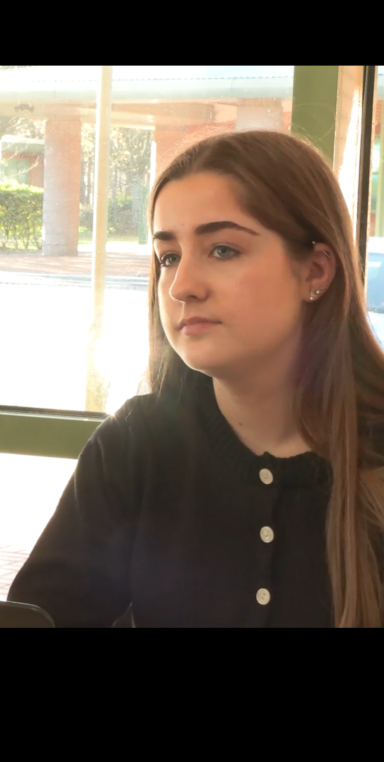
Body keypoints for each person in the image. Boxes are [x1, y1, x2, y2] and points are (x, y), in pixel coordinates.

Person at [8, 130, 384, 628]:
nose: (182, 285)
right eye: (168, 257)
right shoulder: (137, 445)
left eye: (223, 250)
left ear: (315, 269)